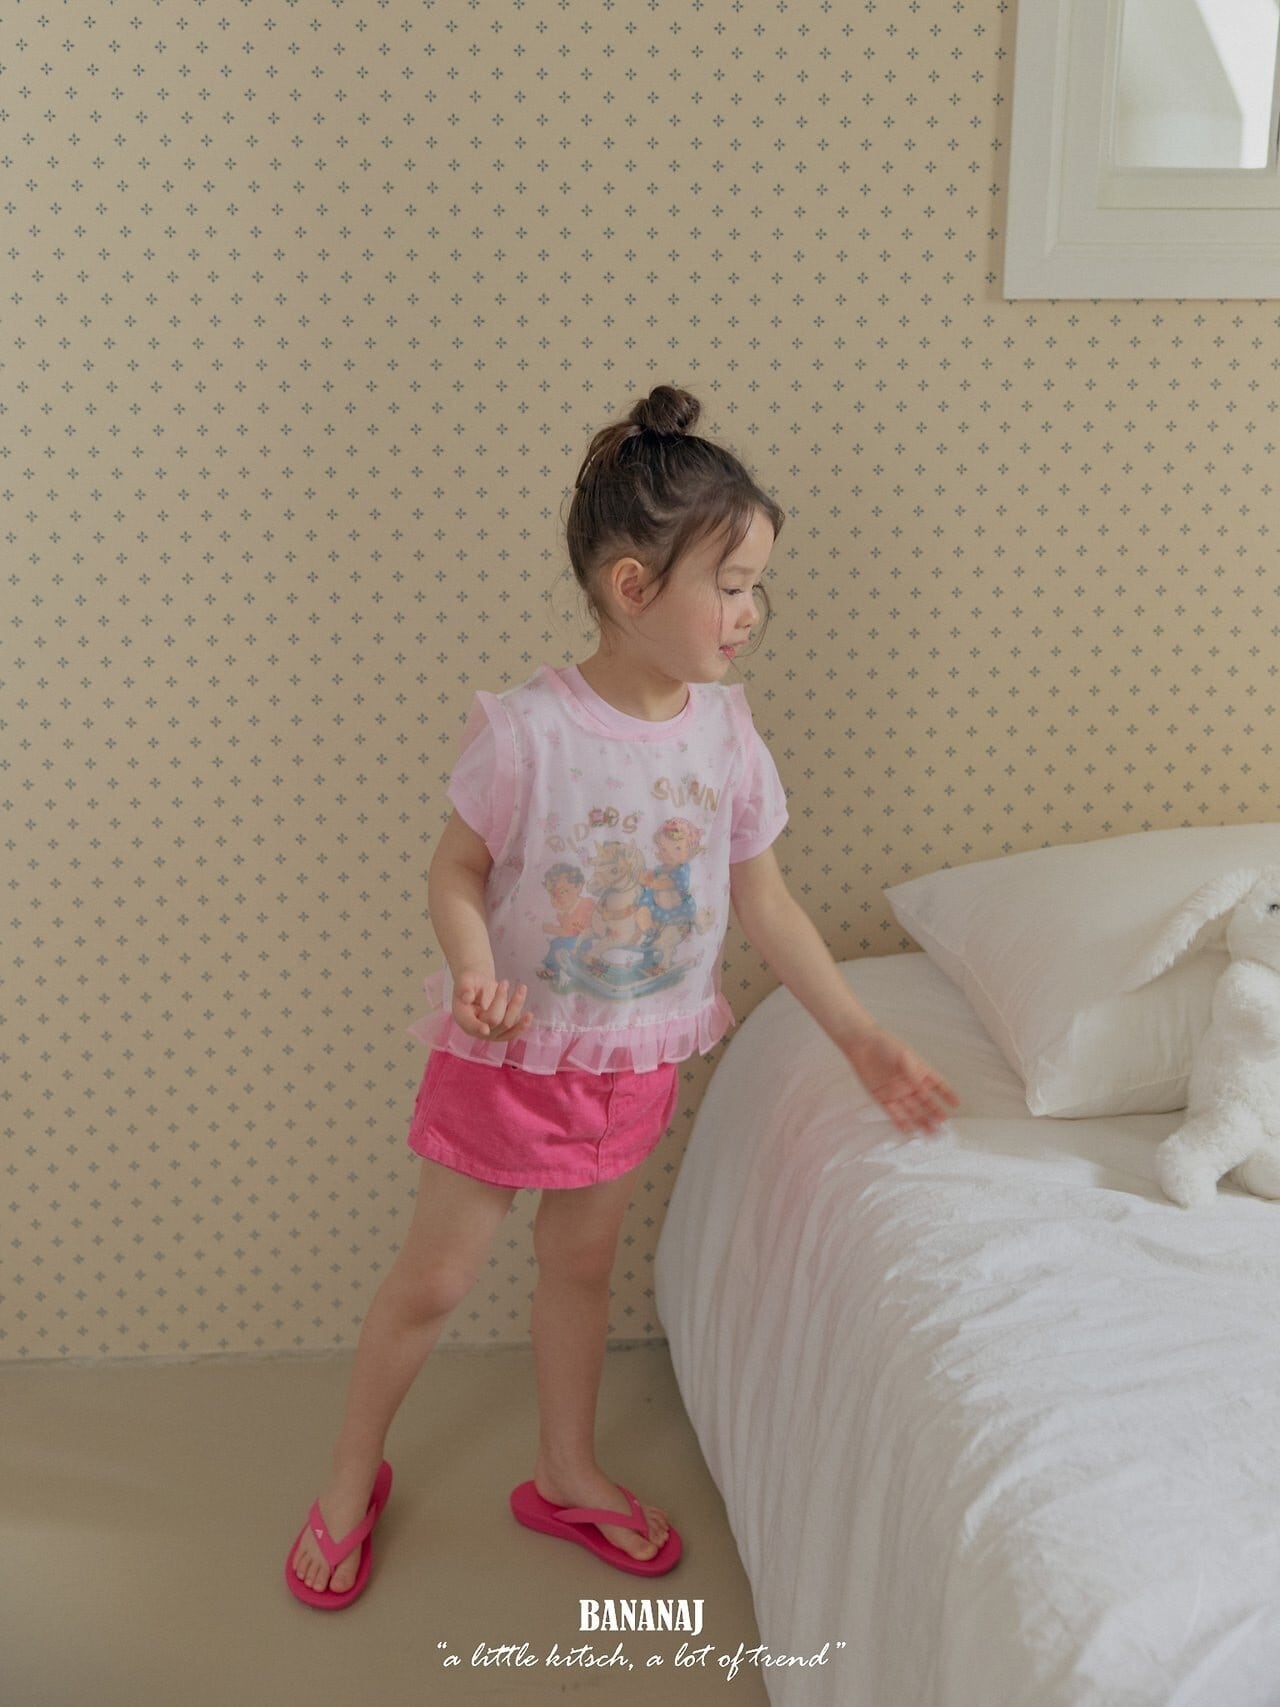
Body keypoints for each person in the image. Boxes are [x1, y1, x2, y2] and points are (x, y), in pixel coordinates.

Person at [285, 383, 960, 1609]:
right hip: (508, 1060)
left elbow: (764, 901)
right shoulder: (529, 731)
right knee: (433, 1282)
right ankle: (344, 1478)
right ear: (634, 587)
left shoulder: (726, 736)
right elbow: (453, 871)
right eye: (731, 585)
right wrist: (475, 969)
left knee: (580, 1272)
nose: (749, 614)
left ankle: (565, 1471)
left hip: (630, 1059)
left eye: (758, 588)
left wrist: (858, 1036)